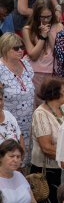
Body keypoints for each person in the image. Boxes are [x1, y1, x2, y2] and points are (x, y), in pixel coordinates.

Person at [30, 78, 64, 203]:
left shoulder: (63, 107)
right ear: (55, 94)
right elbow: (46, 148)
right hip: (48, 171)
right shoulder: (41, 114)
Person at [22, 0, 64, 107]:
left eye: (48, 16)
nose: (46, 20)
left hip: (52, 73)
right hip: (35, 72)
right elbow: (33, 55)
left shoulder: (59, 27)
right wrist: (42, 37)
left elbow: (58, 52)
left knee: (53, 104)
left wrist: (49, 33)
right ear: (36, 15)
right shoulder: (28, 29)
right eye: (43, 17)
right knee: (38, 106)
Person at [0, 33, 34, 164]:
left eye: (22, 47)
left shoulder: (26, 65)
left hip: (28, 122)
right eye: (16, 48)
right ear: (5, 49)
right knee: (10, 160)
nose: (21, 50)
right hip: (9, 124)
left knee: (25, 160)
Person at [0, 139, 39, 203]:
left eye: (18, 157)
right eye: (11, 156)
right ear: (1, 157)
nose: (15, 160)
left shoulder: (20, 175)